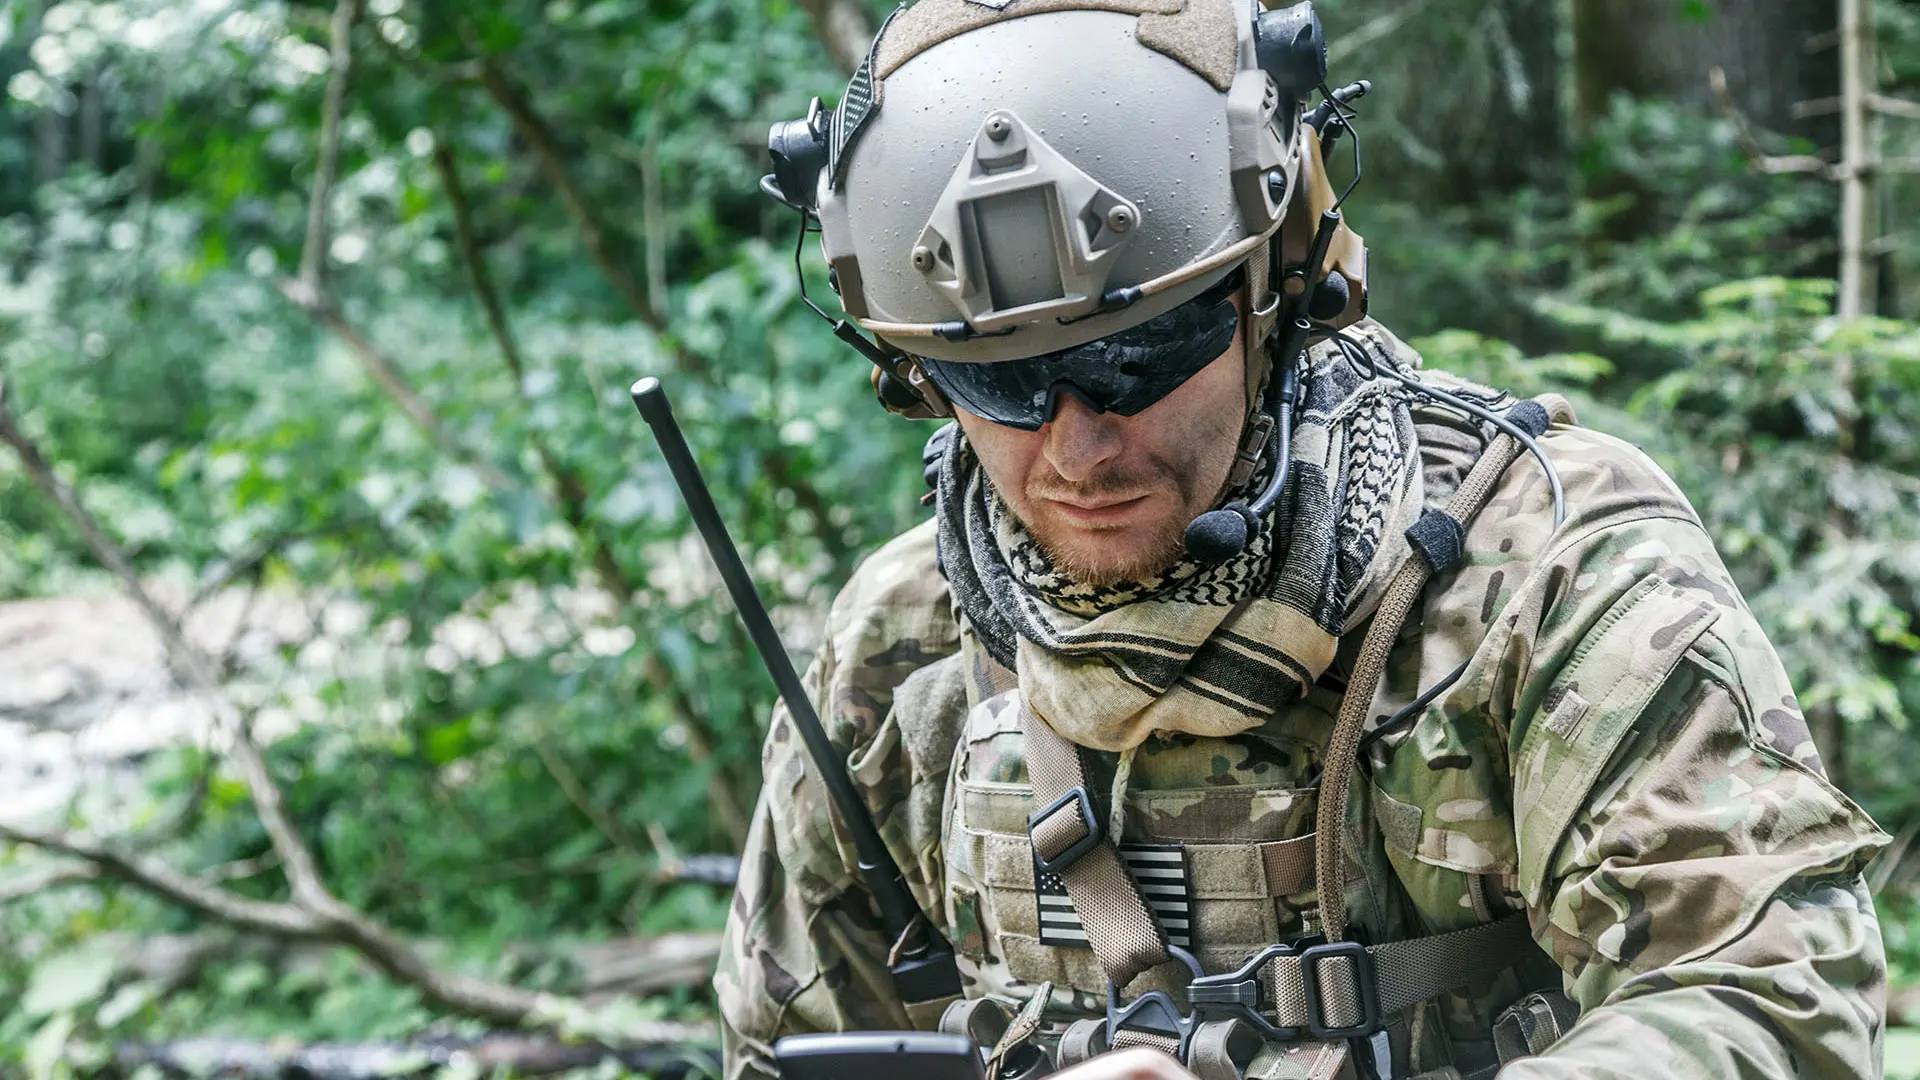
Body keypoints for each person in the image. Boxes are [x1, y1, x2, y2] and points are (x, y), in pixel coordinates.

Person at [717, 0, 1890, 1077]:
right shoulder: (910, 642)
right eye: (1007, 385)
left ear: (1279, 285)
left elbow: (1770, 995)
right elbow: (783, 1052)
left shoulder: (1540, 572)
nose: (1078, 451)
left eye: (1137, 358)